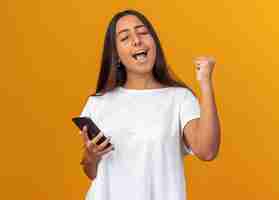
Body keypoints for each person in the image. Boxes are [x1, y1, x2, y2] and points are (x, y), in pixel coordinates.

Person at [78, 9, 221, 200]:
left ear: (154, 42)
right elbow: (91, 172)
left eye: (143, 32)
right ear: (117, 55)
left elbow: (207, 150)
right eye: (125, 37)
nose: (137, 40)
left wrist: (205, 82)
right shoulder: (98, 103)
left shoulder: (179, 98)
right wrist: (91, 157)